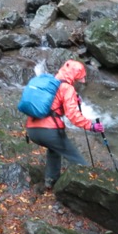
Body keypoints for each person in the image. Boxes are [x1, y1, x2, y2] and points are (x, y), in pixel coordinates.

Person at [25, 60, 104, 188]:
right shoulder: (67, 88)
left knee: (54, 149)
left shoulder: (49, 83)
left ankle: (51, 181)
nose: (79, 83)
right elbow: (73, 115)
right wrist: (91, 126)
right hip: (49, 132)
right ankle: (92, 188)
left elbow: (51, 106)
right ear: (74, 76)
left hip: (32, 130)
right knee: (78, 161)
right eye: (79, 80)